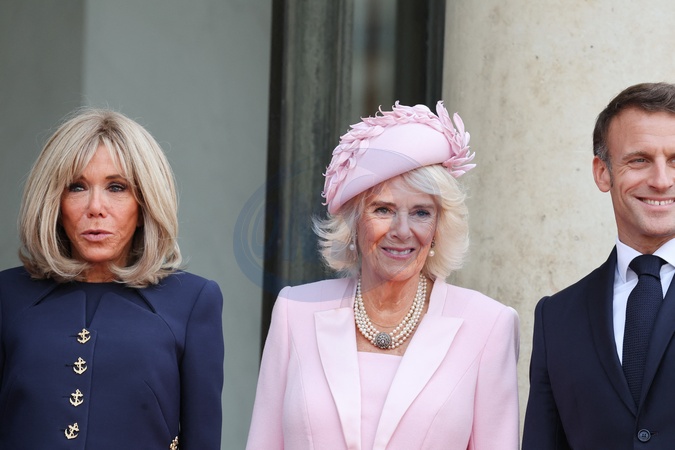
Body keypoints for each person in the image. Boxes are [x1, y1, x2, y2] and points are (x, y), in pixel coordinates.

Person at [246, 102, 520, 449]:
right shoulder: (294, 311)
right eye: (383, 210)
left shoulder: (489, 324)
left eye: (421, 212)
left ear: (439, 227)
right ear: (354, 223)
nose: (402, 231)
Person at [0, 108, 224, 449]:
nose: (95, 207)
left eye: (116, 187)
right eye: (77, 187)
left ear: (144, 205)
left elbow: (202, 439)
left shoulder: (193, 301)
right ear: (54, 203)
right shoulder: (7, 296)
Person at [523, 82, 675, 449]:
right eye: (639, 160)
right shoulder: (556, 318)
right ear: (602, 172)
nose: (661, 180)